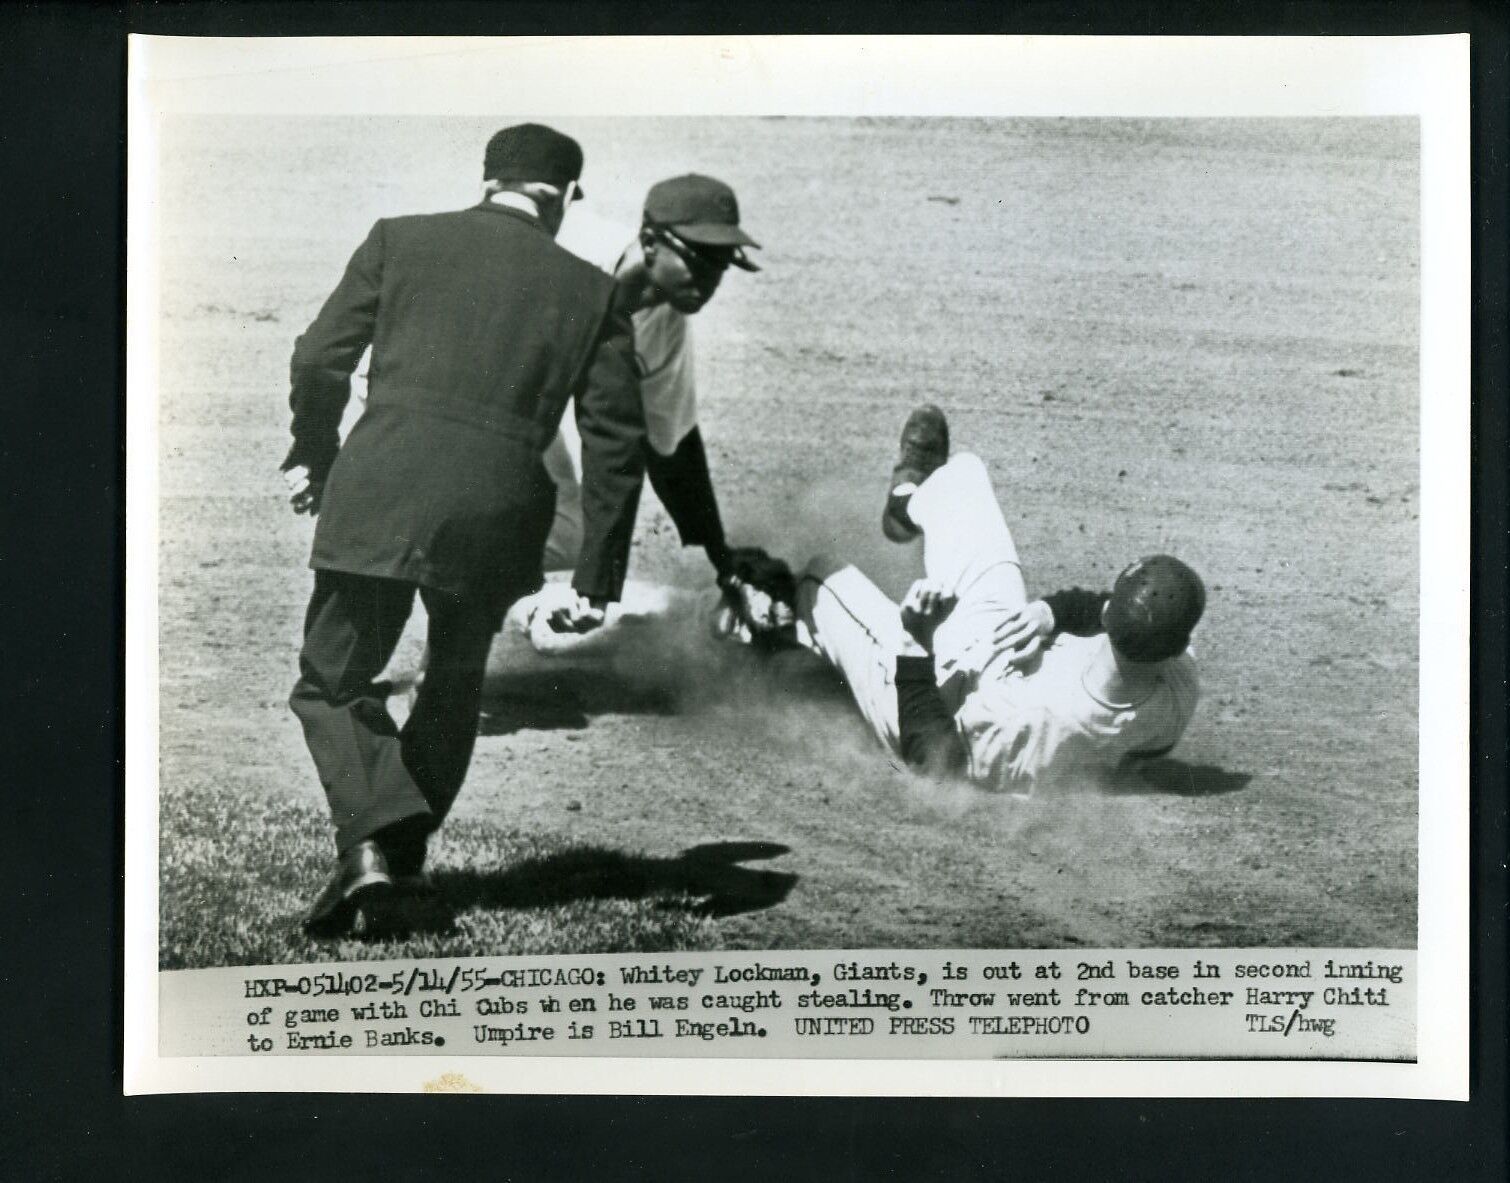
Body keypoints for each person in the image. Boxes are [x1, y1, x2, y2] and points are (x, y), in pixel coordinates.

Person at [280, 124, 645, 937]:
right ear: (561, 196)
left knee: (331, 681)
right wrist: (597, 576)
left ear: (489, 182)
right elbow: (618, 440)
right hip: (500, 512)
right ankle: (395, 868)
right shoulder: (594, 292)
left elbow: (317, 359)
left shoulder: (398, 240)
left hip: (382, 488)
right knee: (453, 681)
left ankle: (372, 856)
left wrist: (315, 449)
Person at [793, 405, 1204, 794]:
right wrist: (1051, 611)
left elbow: (937, 760)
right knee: (964, 474)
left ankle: (768, 619)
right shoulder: (1179, 685)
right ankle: (904, 504)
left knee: (820, 575)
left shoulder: (1031, 720)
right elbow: (1113, 613)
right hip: (995, 639)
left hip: (933, 696)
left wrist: (917, 645)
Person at [509, 173, 765, 643]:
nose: (709, 279)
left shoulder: (664, 326)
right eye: (698, 257)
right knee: (477, 506)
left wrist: (719, 557)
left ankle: (505, 598)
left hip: (520, 406)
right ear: (649, 242)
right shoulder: (568, 252)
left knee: (571, 539)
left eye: (722, 263)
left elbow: (667, 442)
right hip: (418, 379)